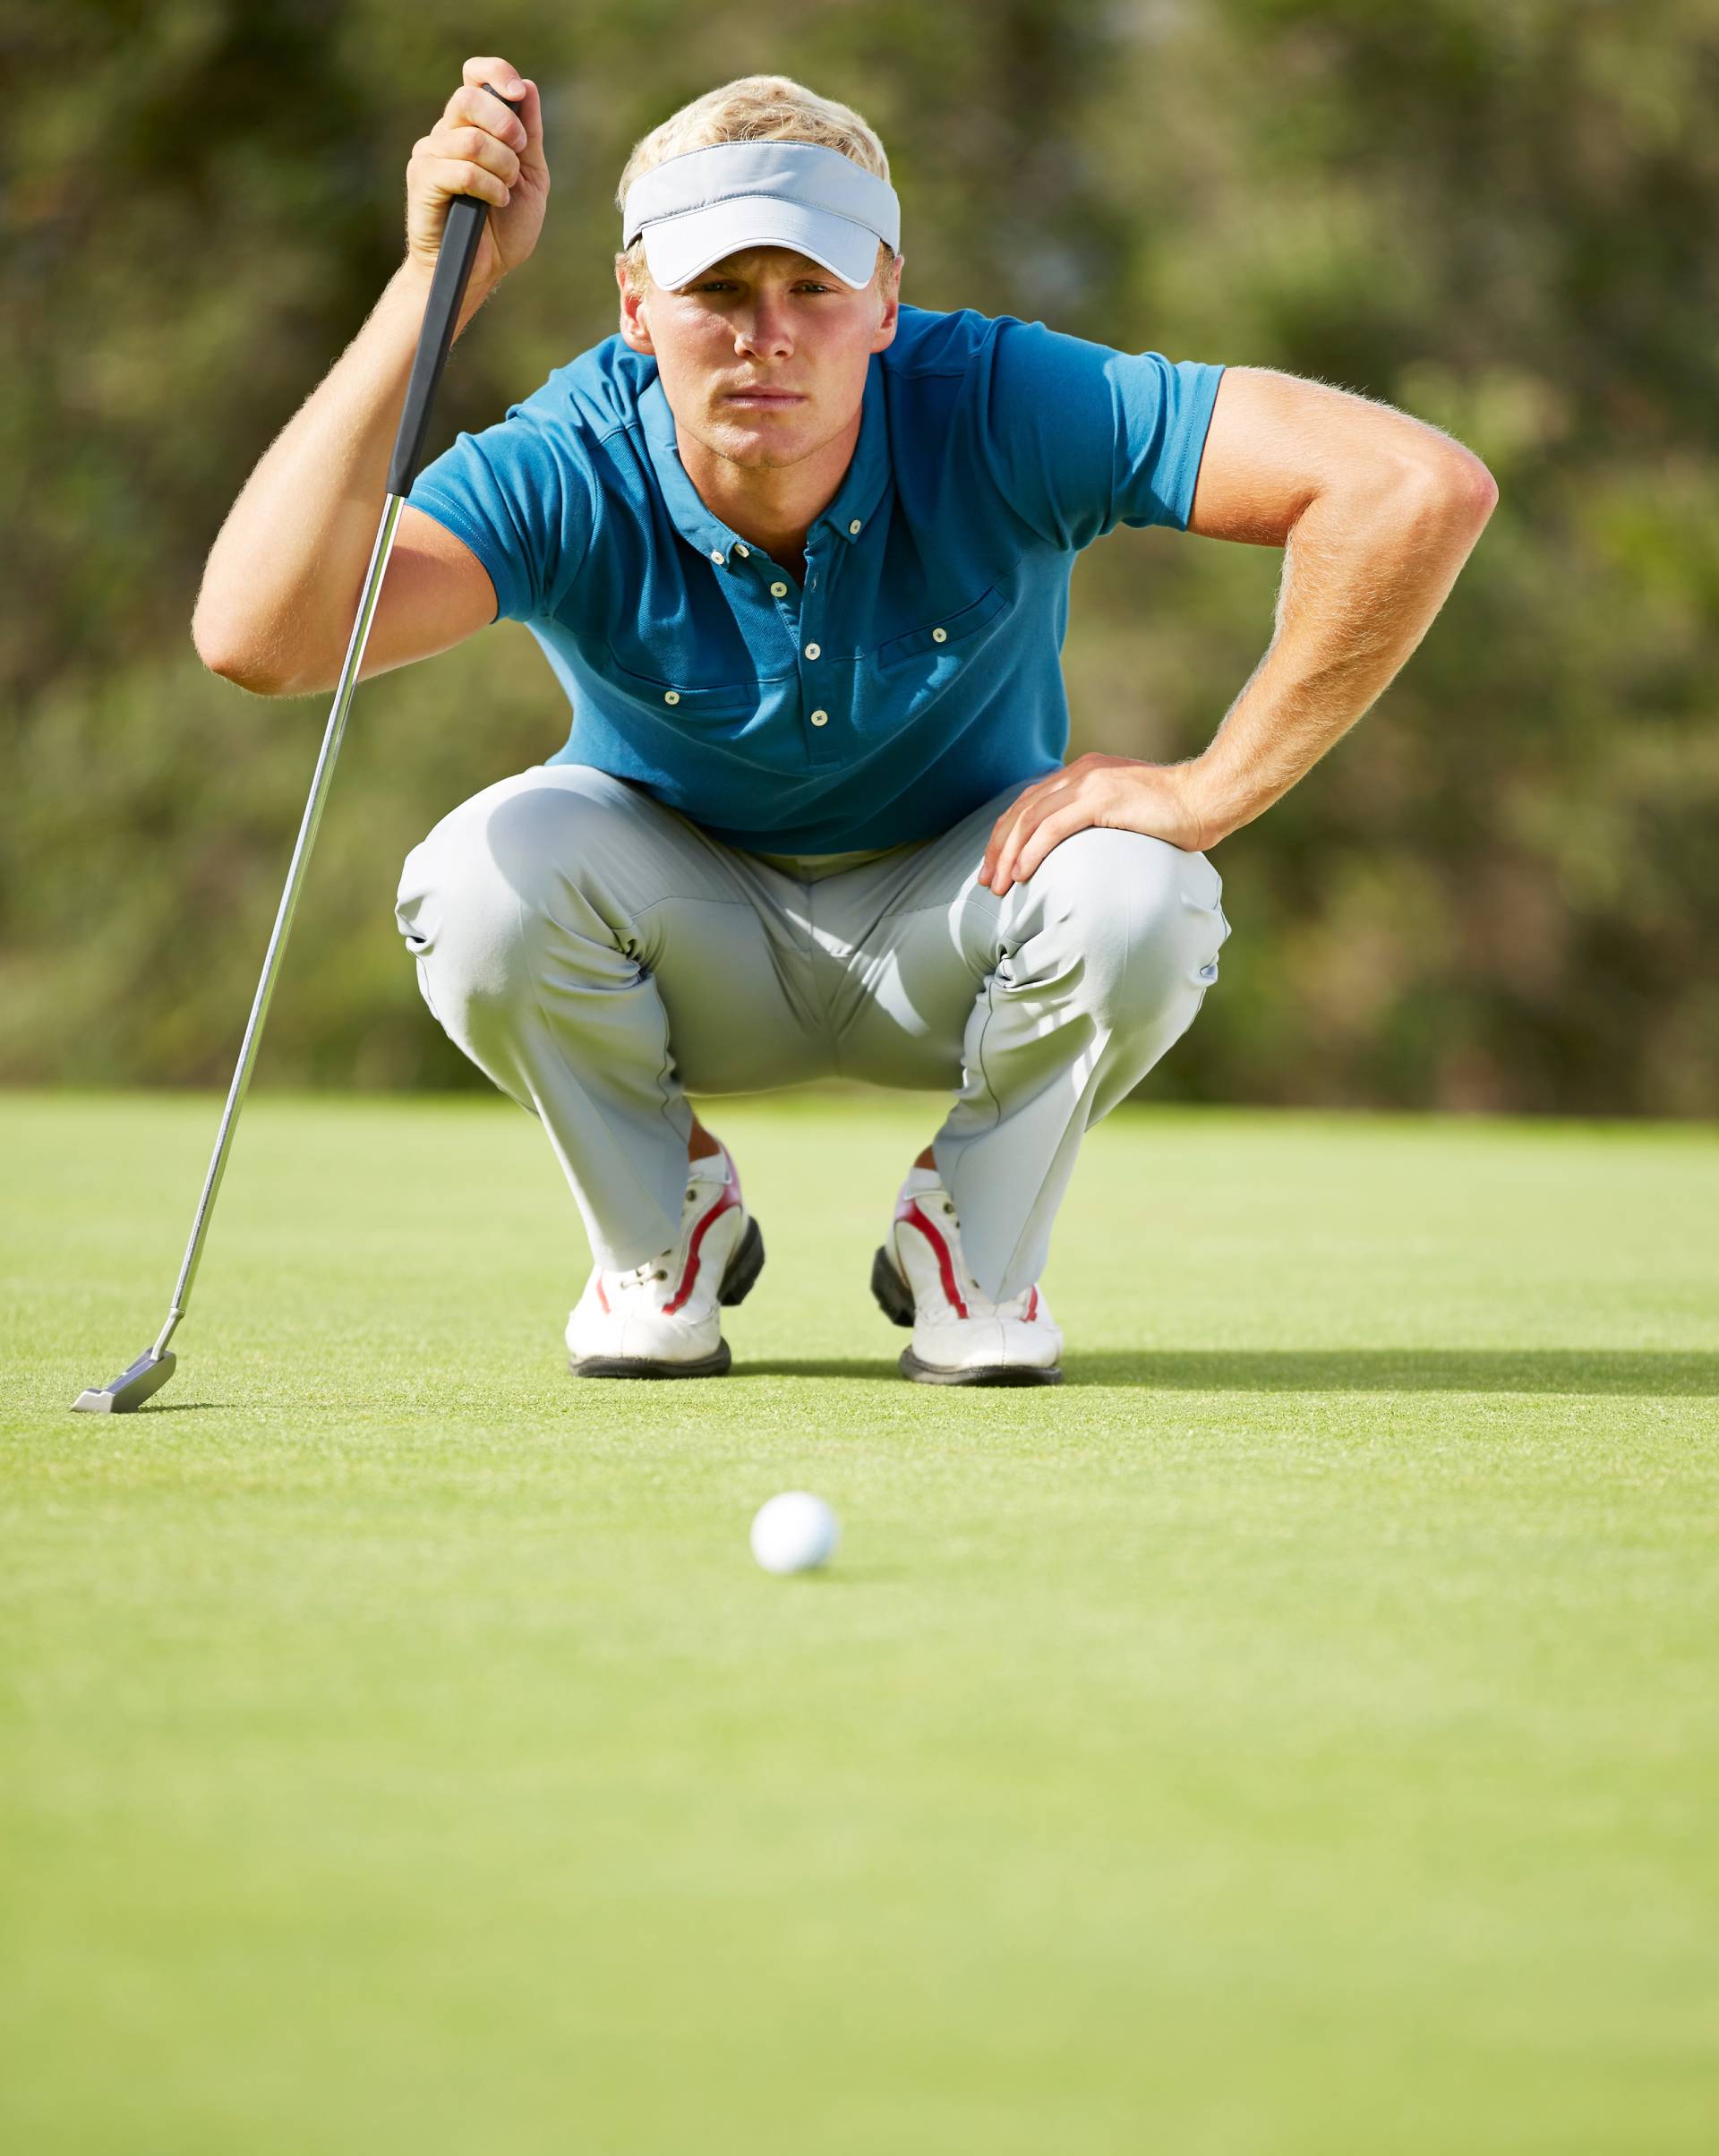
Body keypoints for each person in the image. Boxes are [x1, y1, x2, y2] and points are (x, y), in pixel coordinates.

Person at [192, 59, 1497, 1386]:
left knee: (1145, 891)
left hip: (960, 926)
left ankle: (973, 1251)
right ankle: (664, 1233)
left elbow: (1410, 488)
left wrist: (1213, 790)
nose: (768, 333)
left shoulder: (997, 397)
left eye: (812, 286)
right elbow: (259, 638)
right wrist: (435, 290)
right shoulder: (572, 454)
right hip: (678, 943)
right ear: (637, 304)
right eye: (717, 290)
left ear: (884, 300)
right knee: (479, 881)